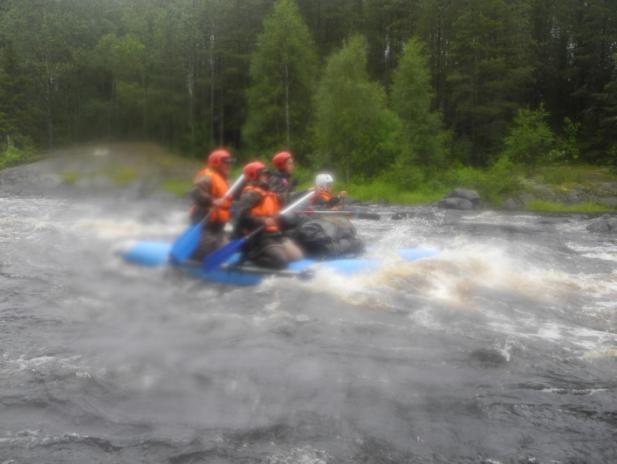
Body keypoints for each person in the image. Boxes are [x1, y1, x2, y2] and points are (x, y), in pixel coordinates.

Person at [233, 161, 303, 269]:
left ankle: (270, 252)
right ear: (253, 175)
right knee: (280, 263)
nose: (267, 177)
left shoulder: (268, 193)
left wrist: (307, 192)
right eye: (263, 174)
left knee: (297, 257)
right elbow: (240, 216)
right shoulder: (250, 194)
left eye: (267, 174)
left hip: (275, 234)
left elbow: (286, 198)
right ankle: (251, 256)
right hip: (259, 237)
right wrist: (262, 221)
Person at [189, 148, 234, 260]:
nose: (229, 165)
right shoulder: (207, 176)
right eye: (226, 163)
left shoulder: (224, 180)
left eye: (230, 163)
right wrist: (212, 201)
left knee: (226, 252)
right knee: (206, 251)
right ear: (216, 162)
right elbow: (195, 192)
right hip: (204, 224)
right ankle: (191, 258)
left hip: (218, 228)